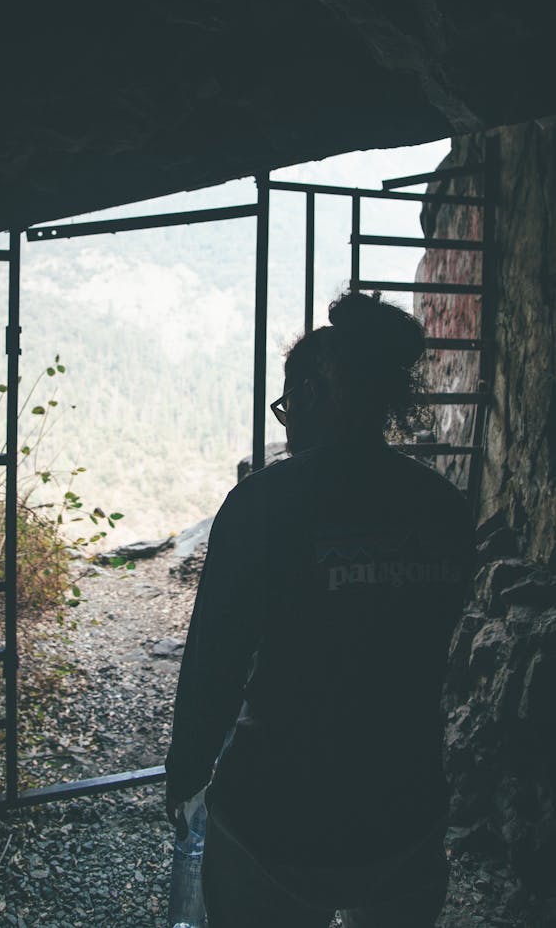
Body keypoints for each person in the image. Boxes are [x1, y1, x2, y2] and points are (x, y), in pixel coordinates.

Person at [165, 291, 475, 927]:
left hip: (276, 812)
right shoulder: (443, 507)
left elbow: (213, 664)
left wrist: (187, 769)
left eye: (286, 403)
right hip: (406, 809)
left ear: (311, 394)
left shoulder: (262, 503)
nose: (286, 421)